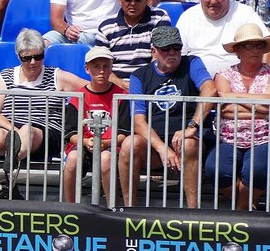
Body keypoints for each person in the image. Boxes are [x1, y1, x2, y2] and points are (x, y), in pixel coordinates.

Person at [0, 28, 86, 198]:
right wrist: (13, 129)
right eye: (27, 58)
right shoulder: (6, 77)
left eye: (38, 56)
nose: (33, 62)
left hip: (46, 132)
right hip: (11, 128)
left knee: (28, 129)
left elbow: (90, 89)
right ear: (19, 56)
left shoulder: (56, 76)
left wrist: (117, 83)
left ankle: (11, 159)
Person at [121, 25, 216, 206]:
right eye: (166, 49)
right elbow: (138, 121)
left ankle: (193, 213)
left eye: (177, 48)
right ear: (154, 51)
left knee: (187, 144)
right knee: (129, 144)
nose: (172, 53)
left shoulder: (192, 63)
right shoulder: (139, 76)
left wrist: (192, 126)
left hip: (189, 140)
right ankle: (128, 210)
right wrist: (162, 148)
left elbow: (210, 89)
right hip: (155, 145)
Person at [208, 22, 270, 208]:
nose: (255, 50)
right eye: (249, 45)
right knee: (215, 169)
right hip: (228, 138)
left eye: (259, 45)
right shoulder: (224, 74)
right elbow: (225, 109)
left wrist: (233, 96)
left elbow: (267, 105)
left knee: (258, 170)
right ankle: (247, 206)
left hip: (264, 137)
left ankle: (241, 212)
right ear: (237, 50)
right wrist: (258, 106)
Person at [61, 46, 130, 202]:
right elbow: (70, 133)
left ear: (111, 68)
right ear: (87, 69)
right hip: (85, 144)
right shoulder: (78, 96)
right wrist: (85, 141)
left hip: (112, 145)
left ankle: (111, 207)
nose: (101, 71)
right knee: (72, 159)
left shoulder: (121, 96)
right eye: (96, 66)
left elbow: (124, 133)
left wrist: (105, 143)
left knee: (106, 158)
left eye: (106, 66)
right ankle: (70, 207)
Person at [176, 0, 268, 73]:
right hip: (197, 82)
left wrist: (262, 79)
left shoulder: (245, 13)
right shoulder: (187, 17)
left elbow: (265, 47)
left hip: (238, 82)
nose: (213, 1)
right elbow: (178, 55)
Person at [96, 0, 173, 85]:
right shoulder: (105, 27)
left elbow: (159, 56)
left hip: (150, 83)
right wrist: (122, 84)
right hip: (115, 87)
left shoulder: (159, 18)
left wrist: (139, 85)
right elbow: (100, 65)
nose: (133, 3)